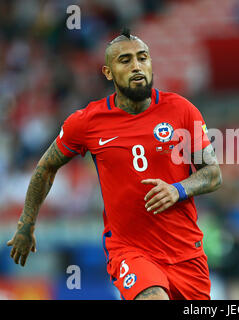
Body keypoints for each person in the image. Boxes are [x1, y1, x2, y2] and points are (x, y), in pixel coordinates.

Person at [6, 28, 222, 300]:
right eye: (125, 60)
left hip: (185, 252)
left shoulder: (181, 110)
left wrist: (177, 189)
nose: (136, 66)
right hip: (130, 250)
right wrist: (27, 224)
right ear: (108, 72)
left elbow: (212, 174)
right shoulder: (87, 122)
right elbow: (46, 167)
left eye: (143, 58)